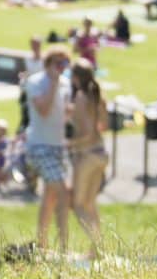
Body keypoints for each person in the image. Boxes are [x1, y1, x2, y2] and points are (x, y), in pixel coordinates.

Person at [24, 45, 71, 252]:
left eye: (64, 64)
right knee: (62, 193)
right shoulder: (35, 82)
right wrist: (52, 83)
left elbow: (65, 114)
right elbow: (43, 110)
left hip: (57, 146)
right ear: (48, 64)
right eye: (58, 63)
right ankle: (63, 247)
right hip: (39, 146)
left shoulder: (66, 84)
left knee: (50, 196)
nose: (61, 68)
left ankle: (41, 244)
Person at [67, 58, 108, 257]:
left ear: (75, 78)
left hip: (87, 155)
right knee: (90, 204)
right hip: (101, 154)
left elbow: (87, 134)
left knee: (78, 205)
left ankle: (97, 247)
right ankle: (97, 249)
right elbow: (103, 126)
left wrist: (68, 144)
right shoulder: (98, 96)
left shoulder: (82, 97)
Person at [18, 35, 45, 133]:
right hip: (28, 88)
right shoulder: (27, 59)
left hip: (40, 91)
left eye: (37, 44)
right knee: (25, 113)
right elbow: (25, 72)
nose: (35, 46)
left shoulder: (45, 60)